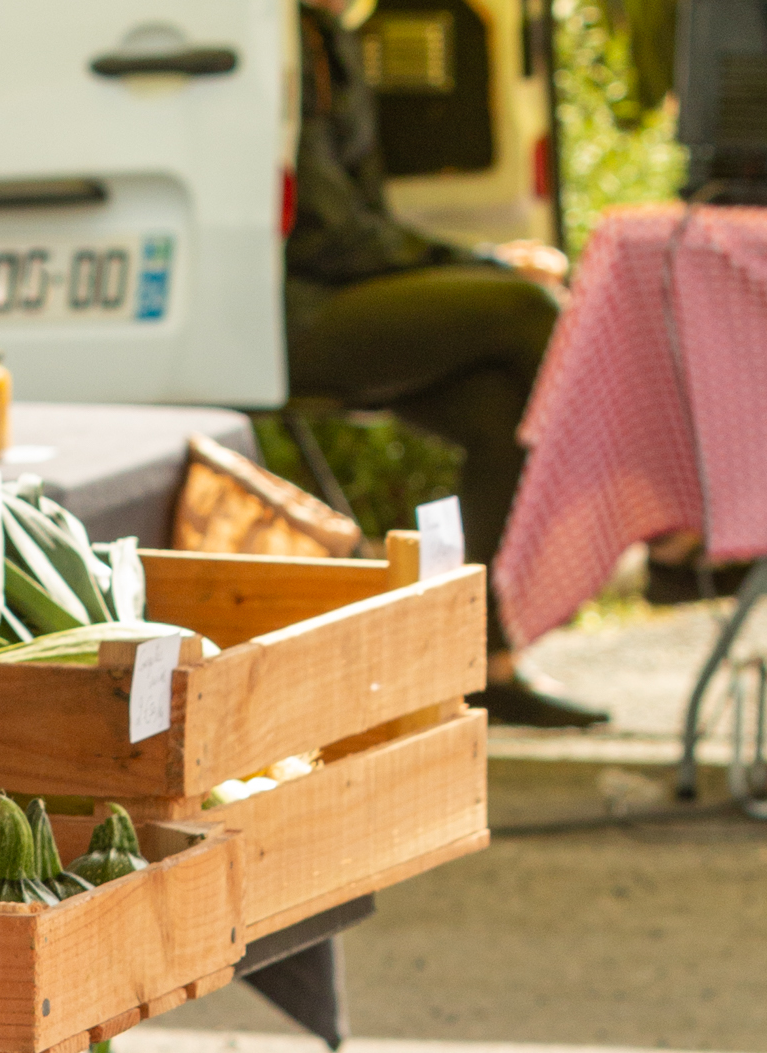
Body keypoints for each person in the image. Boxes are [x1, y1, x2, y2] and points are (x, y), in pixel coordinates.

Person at [288, 0, 606, 728]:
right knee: (526, 311)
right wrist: (483, 263)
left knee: (500, 410)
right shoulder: (280, 42)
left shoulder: (329, 39)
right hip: (285, 309)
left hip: (332, 291)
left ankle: (483, 660)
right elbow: (330, 235)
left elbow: (362, 221)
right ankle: (649, 519)